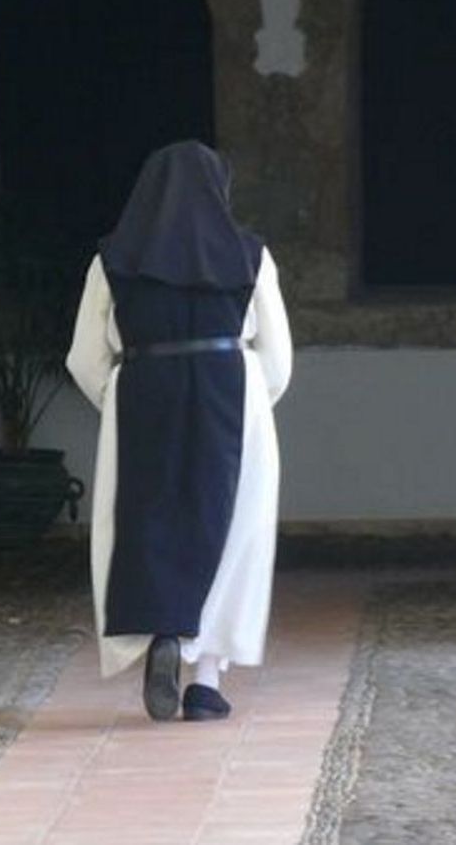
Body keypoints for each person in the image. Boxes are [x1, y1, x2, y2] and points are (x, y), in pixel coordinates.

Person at [66, 140, 293, 722]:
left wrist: (120, 402)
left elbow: (85, 359)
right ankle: (206, 681)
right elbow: (277, 360)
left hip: (143, 390)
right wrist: (250, 406)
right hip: (230, 392)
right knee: (232, 531)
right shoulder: (250, 255)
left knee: (146, 524)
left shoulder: (112, 260)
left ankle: (164, 631)